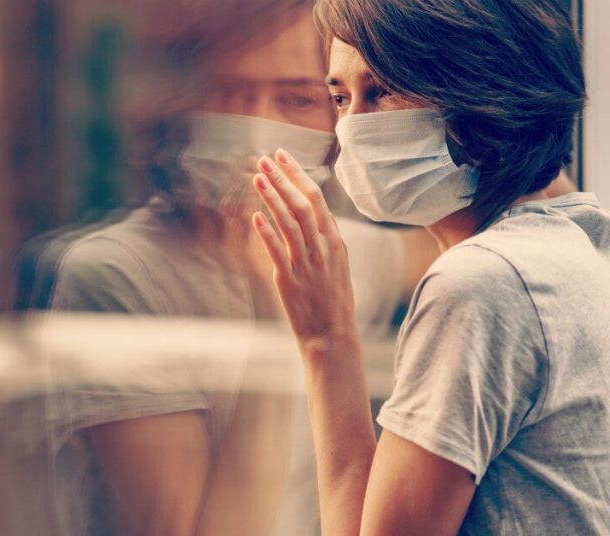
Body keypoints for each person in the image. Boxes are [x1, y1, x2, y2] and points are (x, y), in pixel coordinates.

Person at [43, 1, 436, 534]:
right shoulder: (114, 274)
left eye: (297, 98)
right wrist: (277, 314)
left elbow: (482, 249)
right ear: (183, 104)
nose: (259, 125)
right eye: (229, 92)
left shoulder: (334, 250)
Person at [250, 0, 610, 534]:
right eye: (340, 98)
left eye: (384, 90)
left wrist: (325, 338)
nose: (352, 130)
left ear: (480, 95)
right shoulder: (581, 243)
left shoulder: (482, 284)